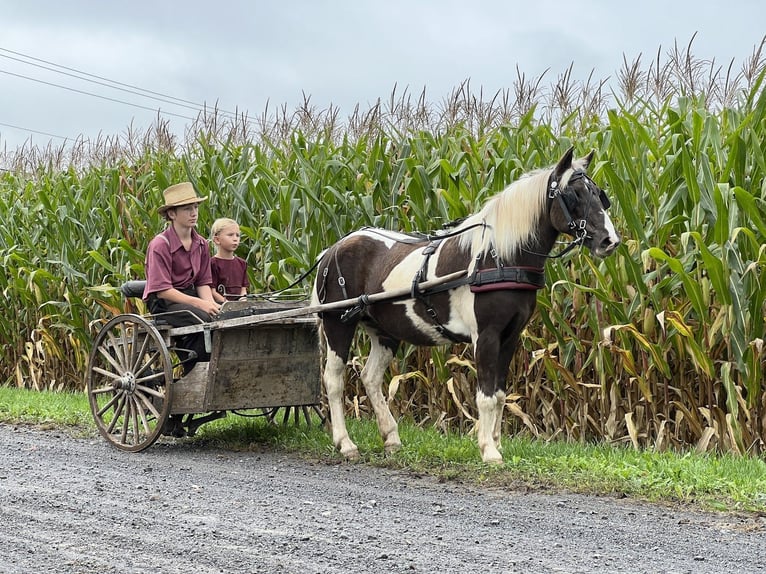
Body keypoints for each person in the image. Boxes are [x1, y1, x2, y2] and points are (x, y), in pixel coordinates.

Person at [142, 182, 221, 374]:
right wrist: (202, 306)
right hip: (164, 303)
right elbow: (162, 290)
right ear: (172, 214)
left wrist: (212, 306)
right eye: (187, 209)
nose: (194, 213)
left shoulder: (201, 244)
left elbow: (202, 282)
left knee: (219, 319)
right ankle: (195, 372)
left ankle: (205, 370)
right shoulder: (160, 245)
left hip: (191, 298)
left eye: (195, 207)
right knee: (201, 317)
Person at [210, 218, 250, 302]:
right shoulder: (212, 263)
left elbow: (243, 290)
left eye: (237, 235)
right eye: (230, 235)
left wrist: (242, 302)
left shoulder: (242, 263)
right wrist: (228, 304)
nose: (235, 239)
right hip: (220, 307)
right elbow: (212, 291)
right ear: (217, 240)